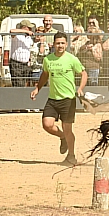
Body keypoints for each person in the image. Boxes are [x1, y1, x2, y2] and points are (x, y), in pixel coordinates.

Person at [30, 33, 88, 165]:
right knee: (47, 124)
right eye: (58, 43)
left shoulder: (71, 59)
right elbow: (45, 74)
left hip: (68, 100)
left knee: (67, 129)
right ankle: (62, 137)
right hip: (53, 99)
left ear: (66, 44)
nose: (60, 46)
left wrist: (80, 88)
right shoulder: (48, 60)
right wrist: (37, 89)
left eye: (62, 43)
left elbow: (83, 73)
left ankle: (71, 156)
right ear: (54, 44)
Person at [73, 18, 108, 85]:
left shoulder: (98, 44)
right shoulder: (86, 43)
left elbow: (98, 58)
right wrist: (86, 47)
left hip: (93, 69)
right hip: (84, 68)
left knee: (92, 86)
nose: (88, 34)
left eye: (90, 33)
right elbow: (80, 51)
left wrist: (92, 50)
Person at [8, 20, 37, 87]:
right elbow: (11, 31)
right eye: (29, 28)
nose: (30, 29)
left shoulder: (29, 38)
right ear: (24, 27)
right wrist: (25, 31)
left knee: (24, 84)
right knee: (18, 84)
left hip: (26, 64)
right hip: (16, 64)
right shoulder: (16, 36)